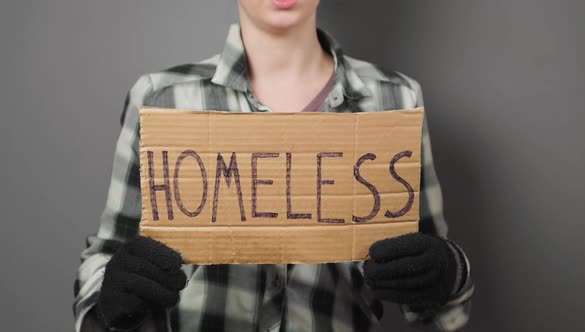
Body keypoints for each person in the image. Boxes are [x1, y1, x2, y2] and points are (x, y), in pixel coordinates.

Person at [73, 0, 474, 331]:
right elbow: (105, 256)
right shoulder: (160, 98)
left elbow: (439, 307)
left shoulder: (396, 98)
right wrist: (108, 298)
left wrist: (446, 272)